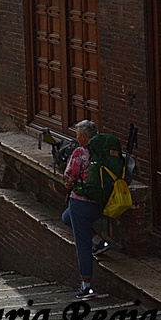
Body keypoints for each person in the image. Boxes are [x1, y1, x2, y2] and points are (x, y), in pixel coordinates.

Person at [62, 119, 104, 298]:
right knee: (66, 218)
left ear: (85, 137)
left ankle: (86, 286)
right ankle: (98, 241)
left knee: (82, 246)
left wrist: (68, 181)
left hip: (81, 202)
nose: (76, 138)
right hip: (99, 202)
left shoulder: (80, 152)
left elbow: (70, 175)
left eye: (78, 135)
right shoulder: (102, 150)